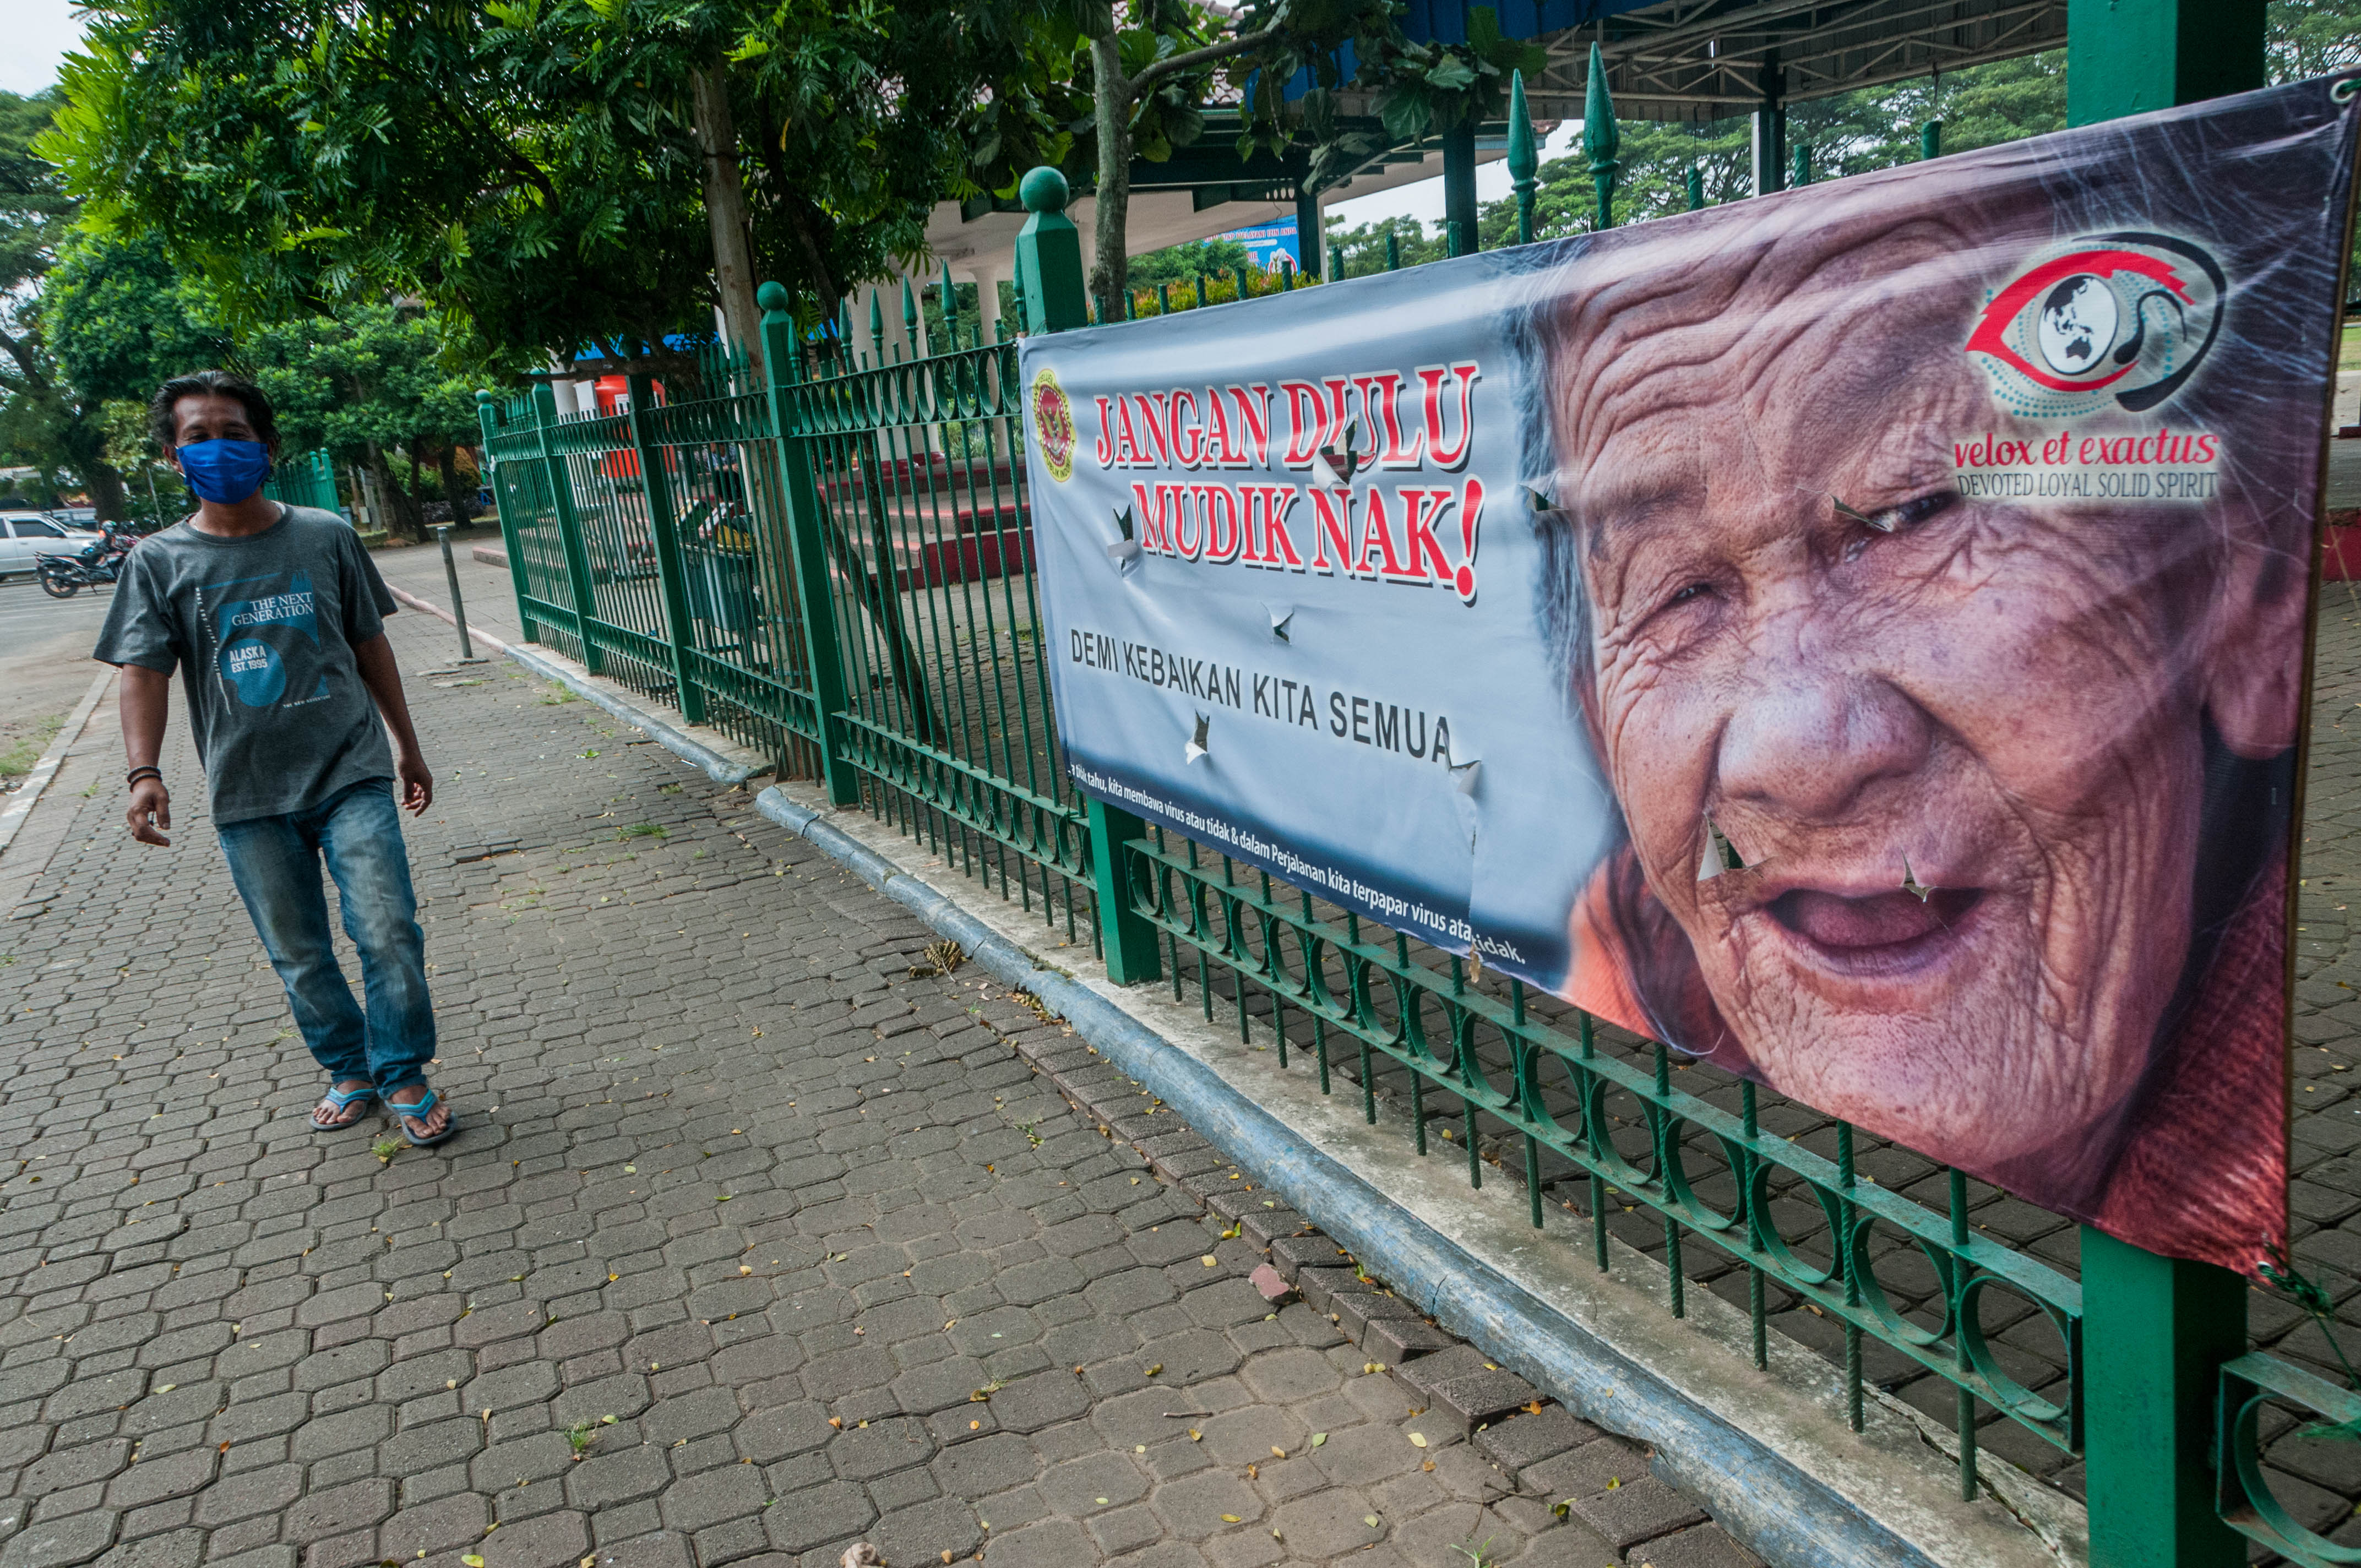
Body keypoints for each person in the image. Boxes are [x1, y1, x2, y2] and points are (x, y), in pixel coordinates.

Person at [1520, 98, 2344, 1275]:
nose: (1799, 749)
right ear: (1598, 720)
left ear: (2249, 583)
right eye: (1679, 591)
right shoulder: (1620, 957)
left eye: (1912, 511)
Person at [93, 370, 457, 1147]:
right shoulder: (157, 562)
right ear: (172, 455)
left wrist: (408, 745)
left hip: (349, 770)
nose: (218, 448)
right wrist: (143, 771)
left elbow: (370, 643)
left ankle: (402, 1070)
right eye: (198, 437)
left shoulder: (325, 535)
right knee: (298, 951)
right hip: (247, 790)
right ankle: (349, 1067)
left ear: (266, 444)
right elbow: (142, 673)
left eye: (234, 432)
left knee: (388, 928)